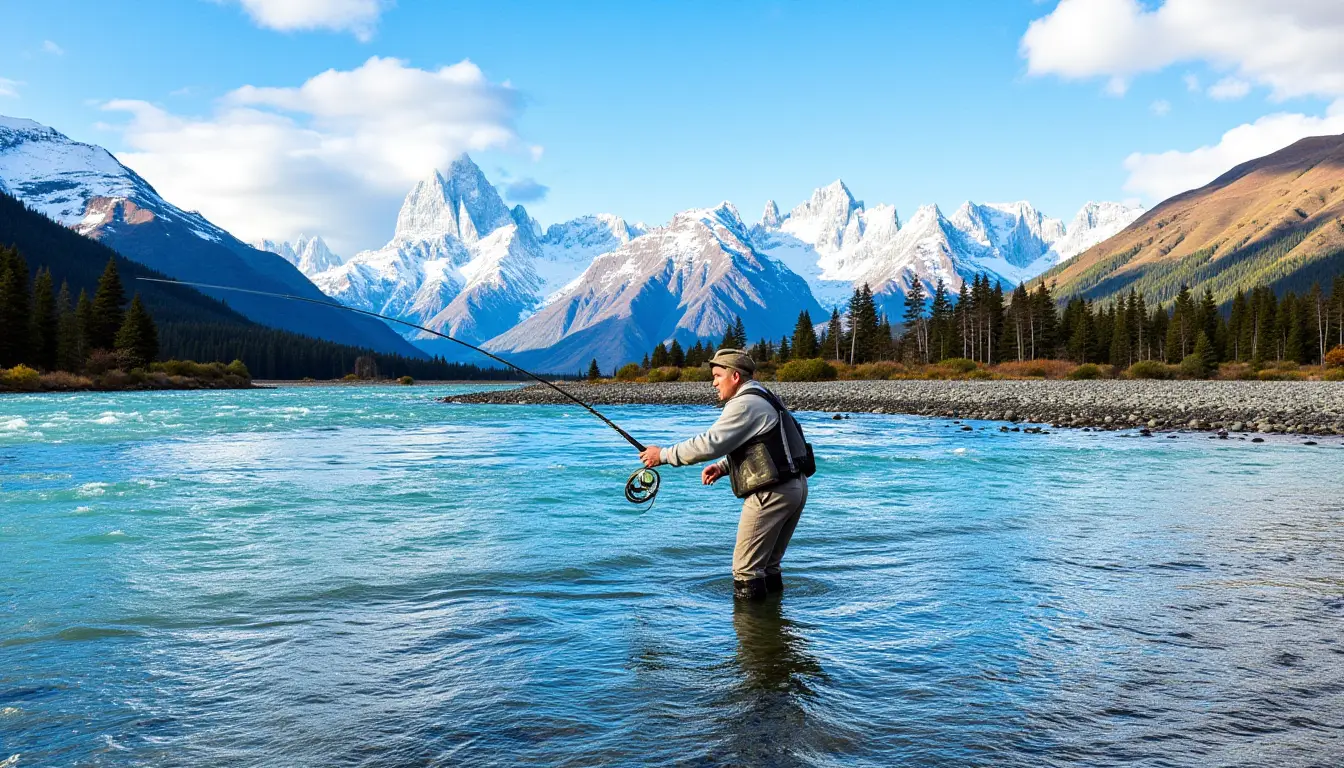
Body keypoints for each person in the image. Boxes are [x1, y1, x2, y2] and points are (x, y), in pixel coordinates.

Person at [639, 348, 813, 600]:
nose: (713, 383)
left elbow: (710, 443)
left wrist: (663, 455)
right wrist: (724, 467)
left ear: (735, 377)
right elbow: (768, 443)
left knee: (746, 571)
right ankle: (776, 632)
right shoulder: (765, 395)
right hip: (795, 487)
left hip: (771, 494)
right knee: (768, 567)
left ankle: (752, 636)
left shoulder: (745, 403)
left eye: (718, 376)